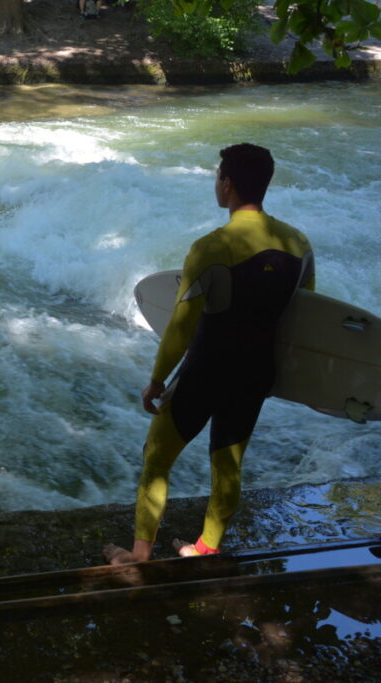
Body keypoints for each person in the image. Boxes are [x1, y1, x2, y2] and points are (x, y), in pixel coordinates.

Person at [104, 144, 315, 564]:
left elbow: (182, 326)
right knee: (228, 462)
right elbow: (305, 316)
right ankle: (205, 549)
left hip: (207, 370)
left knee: (157, 457)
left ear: (228, 183)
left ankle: (139, 555)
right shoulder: (298, 244)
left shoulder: (211, 247)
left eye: (218, 176)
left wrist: (158, 378)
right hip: (256, 373)